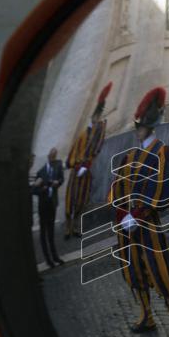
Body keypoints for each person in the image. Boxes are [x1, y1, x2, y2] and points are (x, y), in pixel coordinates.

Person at [108, 87, 169, 337]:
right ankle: (146, 316)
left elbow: (164, 188)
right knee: (134, 273)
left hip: (148, 225)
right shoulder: (128, 156)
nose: (137, 129)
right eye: (137, 125)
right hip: (126, 227)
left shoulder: (161, 152)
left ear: (151, 126)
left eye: (141, 125)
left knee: (163, 274)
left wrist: (138, 214)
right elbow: (118, 187)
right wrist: (122, 214)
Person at [63, 82, 110, 240]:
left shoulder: (97, 131)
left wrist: (87, 165)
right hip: (76, 171)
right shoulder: (83, 134)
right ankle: (68, 228)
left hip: (86, 171)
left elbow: (96, 148)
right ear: (93, 118)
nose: (98, 120)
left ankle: (76, 227)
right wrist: (75, 163)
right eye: (96, 118)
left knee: (82, 202)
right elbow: (75, 151)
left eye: (99, 118)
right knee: (71, 200)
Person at [33, 148, 66, 268]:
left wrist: (58, 182)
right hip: (43, 205)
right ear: (48, 157)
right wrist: (43, 189)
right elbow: (34, 190)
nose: (53, 158)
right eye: (51, 156)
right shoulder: (41, 172)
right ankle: (48, 259)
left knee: (51, 232)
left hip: (52, 204)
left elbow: (62, 179)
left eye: (55, 155)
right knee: (43, 232)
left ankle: (55, 256)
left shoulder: (57, 166)